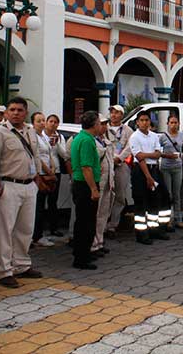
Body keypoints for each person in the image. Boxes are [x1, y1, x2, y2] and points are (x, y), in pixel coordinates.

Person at [0, 97, 45, 288]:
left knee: (25, 228)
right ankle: (4, 270)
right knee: (4, 230)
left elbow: (35, 156)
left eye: (20, 110)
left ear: (25, 112)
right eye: (12, 110)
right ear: (7, 112)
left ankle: (22, 264)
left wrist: (37, 179)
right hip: (7, 185)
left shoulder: (30, 131)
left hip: (28, 185)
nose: (16, 113)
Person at [129, 110, 170, 244]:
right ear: (137, 122)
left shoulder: (154, 136)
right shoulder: (135, 137)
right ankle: (142, 234)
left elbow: (158, 154)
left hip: (154, 170)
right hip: (141, 172)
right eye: (142, 120)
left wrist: (146, 155)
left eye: (147, 120)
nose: (145, 123)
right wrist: (148, 177)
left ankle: (155, 230)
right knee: (141, 202)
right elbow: (139, 158)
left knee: (156, 201)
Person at [69, 111, 102, 269]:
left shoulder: (80, 137)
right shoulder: (87, 141)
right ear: (94, 124)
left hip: (81, 184)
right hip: (85, 185)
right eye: (99, 123)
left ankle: (81, 253)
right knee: (86, 223)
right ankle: (82, 257)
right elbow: (86, 167)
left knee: (82, 221)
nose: (100, 125)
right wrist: (94, 189)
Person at [105, 104, 133, 237]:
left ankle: (113, 225)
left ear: (122, 115)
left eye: (116, 113)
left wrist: (119, 158)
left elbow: (129, 147)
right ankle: (103, 224)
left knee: (120, 196)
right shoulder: (104, 128)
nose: (114, 115)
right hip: (106, 165)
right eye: (112, 112)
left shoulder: (127, 130)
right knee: (106, 195)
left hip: (121, 165)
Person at [31, 112, 57, 248]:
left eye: (43, 120)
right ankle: (35, 235)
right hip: (40, 174)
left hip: (48, 173)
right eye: (38, 121)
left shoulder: (44, 137)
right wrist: (48, 171)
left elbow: (49, 153)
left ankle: (39, 233)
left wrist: (52, 168)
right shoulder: (32, 136)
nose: (42, 123)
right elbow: (37, 157)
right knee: (38, 207)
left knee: (42, 206)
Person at [91, 115, 115, 256]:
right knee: (94, 214)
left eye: (106, 124)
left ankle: (99, 241)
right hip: (96, 182)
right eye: (101, 124)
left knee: (103, 214)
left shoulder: (106, 141)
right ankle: (92, 244)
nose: (104, 127)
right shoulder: (90, 141)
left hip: (108, 182)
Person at [44, 114, 69, 237]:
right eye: (51, 121)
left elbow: (65, 155)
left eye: (55, 122)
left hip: (56, 171)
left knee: (53, 200)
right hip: (43, 171)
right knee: (40, 200)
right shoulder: (40, 136)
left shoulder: (60, 137)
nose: (53, 124)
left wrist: (57, 143)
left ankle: (54, 227)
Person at [159, 114, 183, 229]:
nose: (174, 125)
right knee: (168, 194)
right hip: (166, 167)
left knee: (177, 194)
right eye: (171, 122)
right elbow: (158, 152)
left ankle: (178, 218)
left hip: (178, 167)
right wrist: (166, 155)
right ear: (168, 124)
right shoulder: (163, 137)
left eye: (176, 122)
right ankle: (168, 219)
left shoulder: (182, 136)